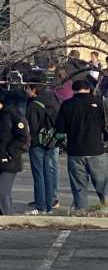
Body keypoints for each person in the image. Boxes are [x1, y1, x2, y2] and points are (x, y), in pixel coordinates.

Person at [54, 79, 108, 211]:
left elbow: (60, 130)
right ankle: (106, 210)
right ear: (89, 89)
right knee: (103, 184)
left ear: (74, 90)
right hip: (97, 150)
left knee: (79, 186)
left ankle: (81, 212)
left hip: (75, 151)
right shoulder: (100, 103)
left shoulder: (67, 105)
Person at [0, 91, 29, 215]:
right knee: (4, 192)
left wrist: (10, 152)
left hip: (10, 159)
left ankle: (6, 217)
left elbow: (23, 138)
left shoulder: (12, 115)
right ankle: (7, 215)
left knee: (1, 191)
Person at [25, 80, 61, 215]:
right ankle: (50, 205)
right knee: (49, 174)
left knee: (38, 175)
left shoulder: (33, 105)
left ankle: (40, 206)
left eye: (27, 88)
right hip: (50, 142)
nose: (26, 91)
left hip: (37, 143)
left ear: (33, 89)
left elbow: (32, 128)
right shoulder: (51, 100)